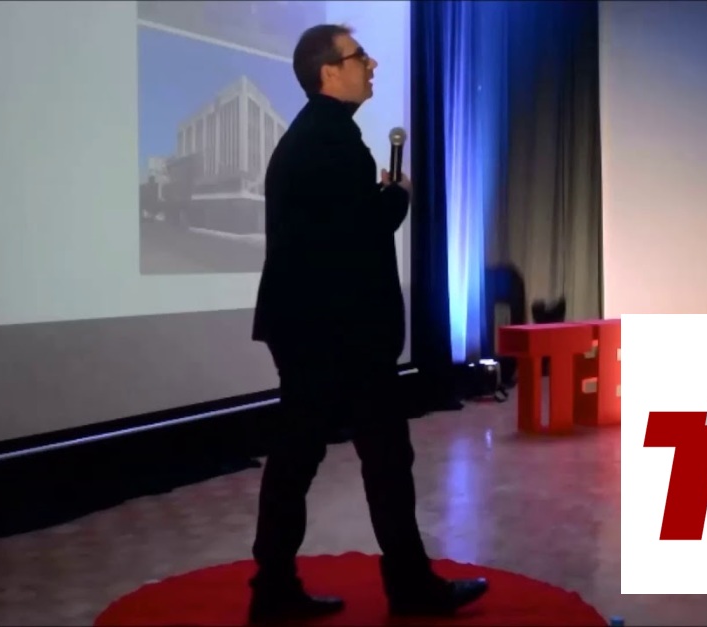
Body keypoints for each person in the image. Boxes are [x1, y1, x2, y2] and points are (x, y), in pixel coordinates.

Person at [247, 23, 489, 623]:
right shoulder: (330, 142)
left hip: (318, 329)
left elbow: (335, 231)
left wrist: (378, 202)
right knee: (367, 460)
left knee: (325, 458)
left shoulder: (318, 136)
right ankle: (402, 588)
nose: (373, 64)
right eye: (359, 57)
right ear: (328, 72)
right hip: (336, 333)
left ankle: (279, 589)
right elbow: (356, 238)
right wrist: (398, 197)